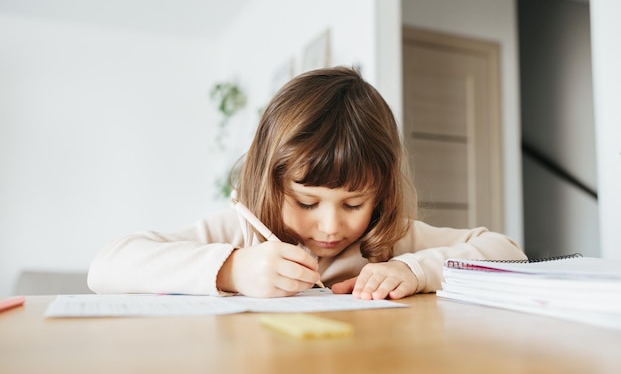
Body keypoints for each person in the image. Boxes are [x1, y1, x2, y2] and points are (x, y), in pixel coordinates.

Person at [88, 66, 526, 299]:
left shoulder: (389, 240)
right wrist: (234, 270)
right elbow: (106, 266)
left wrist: (412, 270)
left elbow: (509, 252)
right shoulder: (240, 232)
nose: (331, 226)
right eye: (306, 201)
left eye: (354, 204)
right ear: (271, 182)